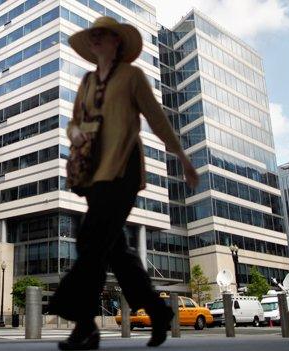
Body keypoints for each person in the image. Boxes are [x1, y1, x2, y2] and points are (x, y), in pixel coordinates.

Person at [48, 16, 199, 350]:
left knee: (91, 238)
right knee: (115, 250)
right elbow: (73, 123)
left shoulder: (132, 76)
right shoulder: (86, 81)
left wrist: (184, 159)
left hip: (123, 171)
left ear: (118, 41)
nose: (97, 39)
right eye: (93, 35)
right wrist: (77, 134)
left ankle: (84, 325)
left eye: (104, 34)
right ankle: (158, 313)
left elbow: (157, 119)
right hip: (93, 174)